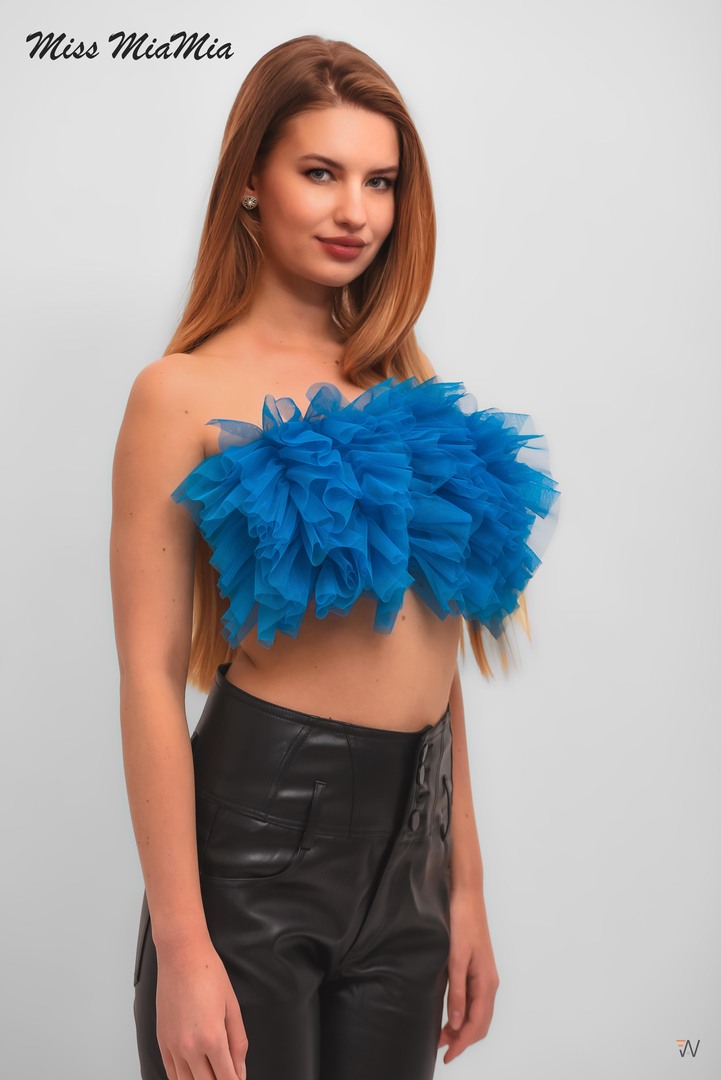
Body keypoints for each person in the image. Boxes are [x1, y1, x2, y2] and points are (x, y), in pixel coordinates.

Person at [110, 34, 560, 1080]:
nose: (355, 210)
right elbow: (146, 678)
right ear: (250, 184)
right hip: (254, 856)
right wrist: (184, 946)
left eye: (380, 181)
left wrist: (462, 889)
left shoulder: (405, 385)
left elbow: (437, 654)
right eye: (321, 172)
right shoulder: (177, 393)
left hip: (411, 861)